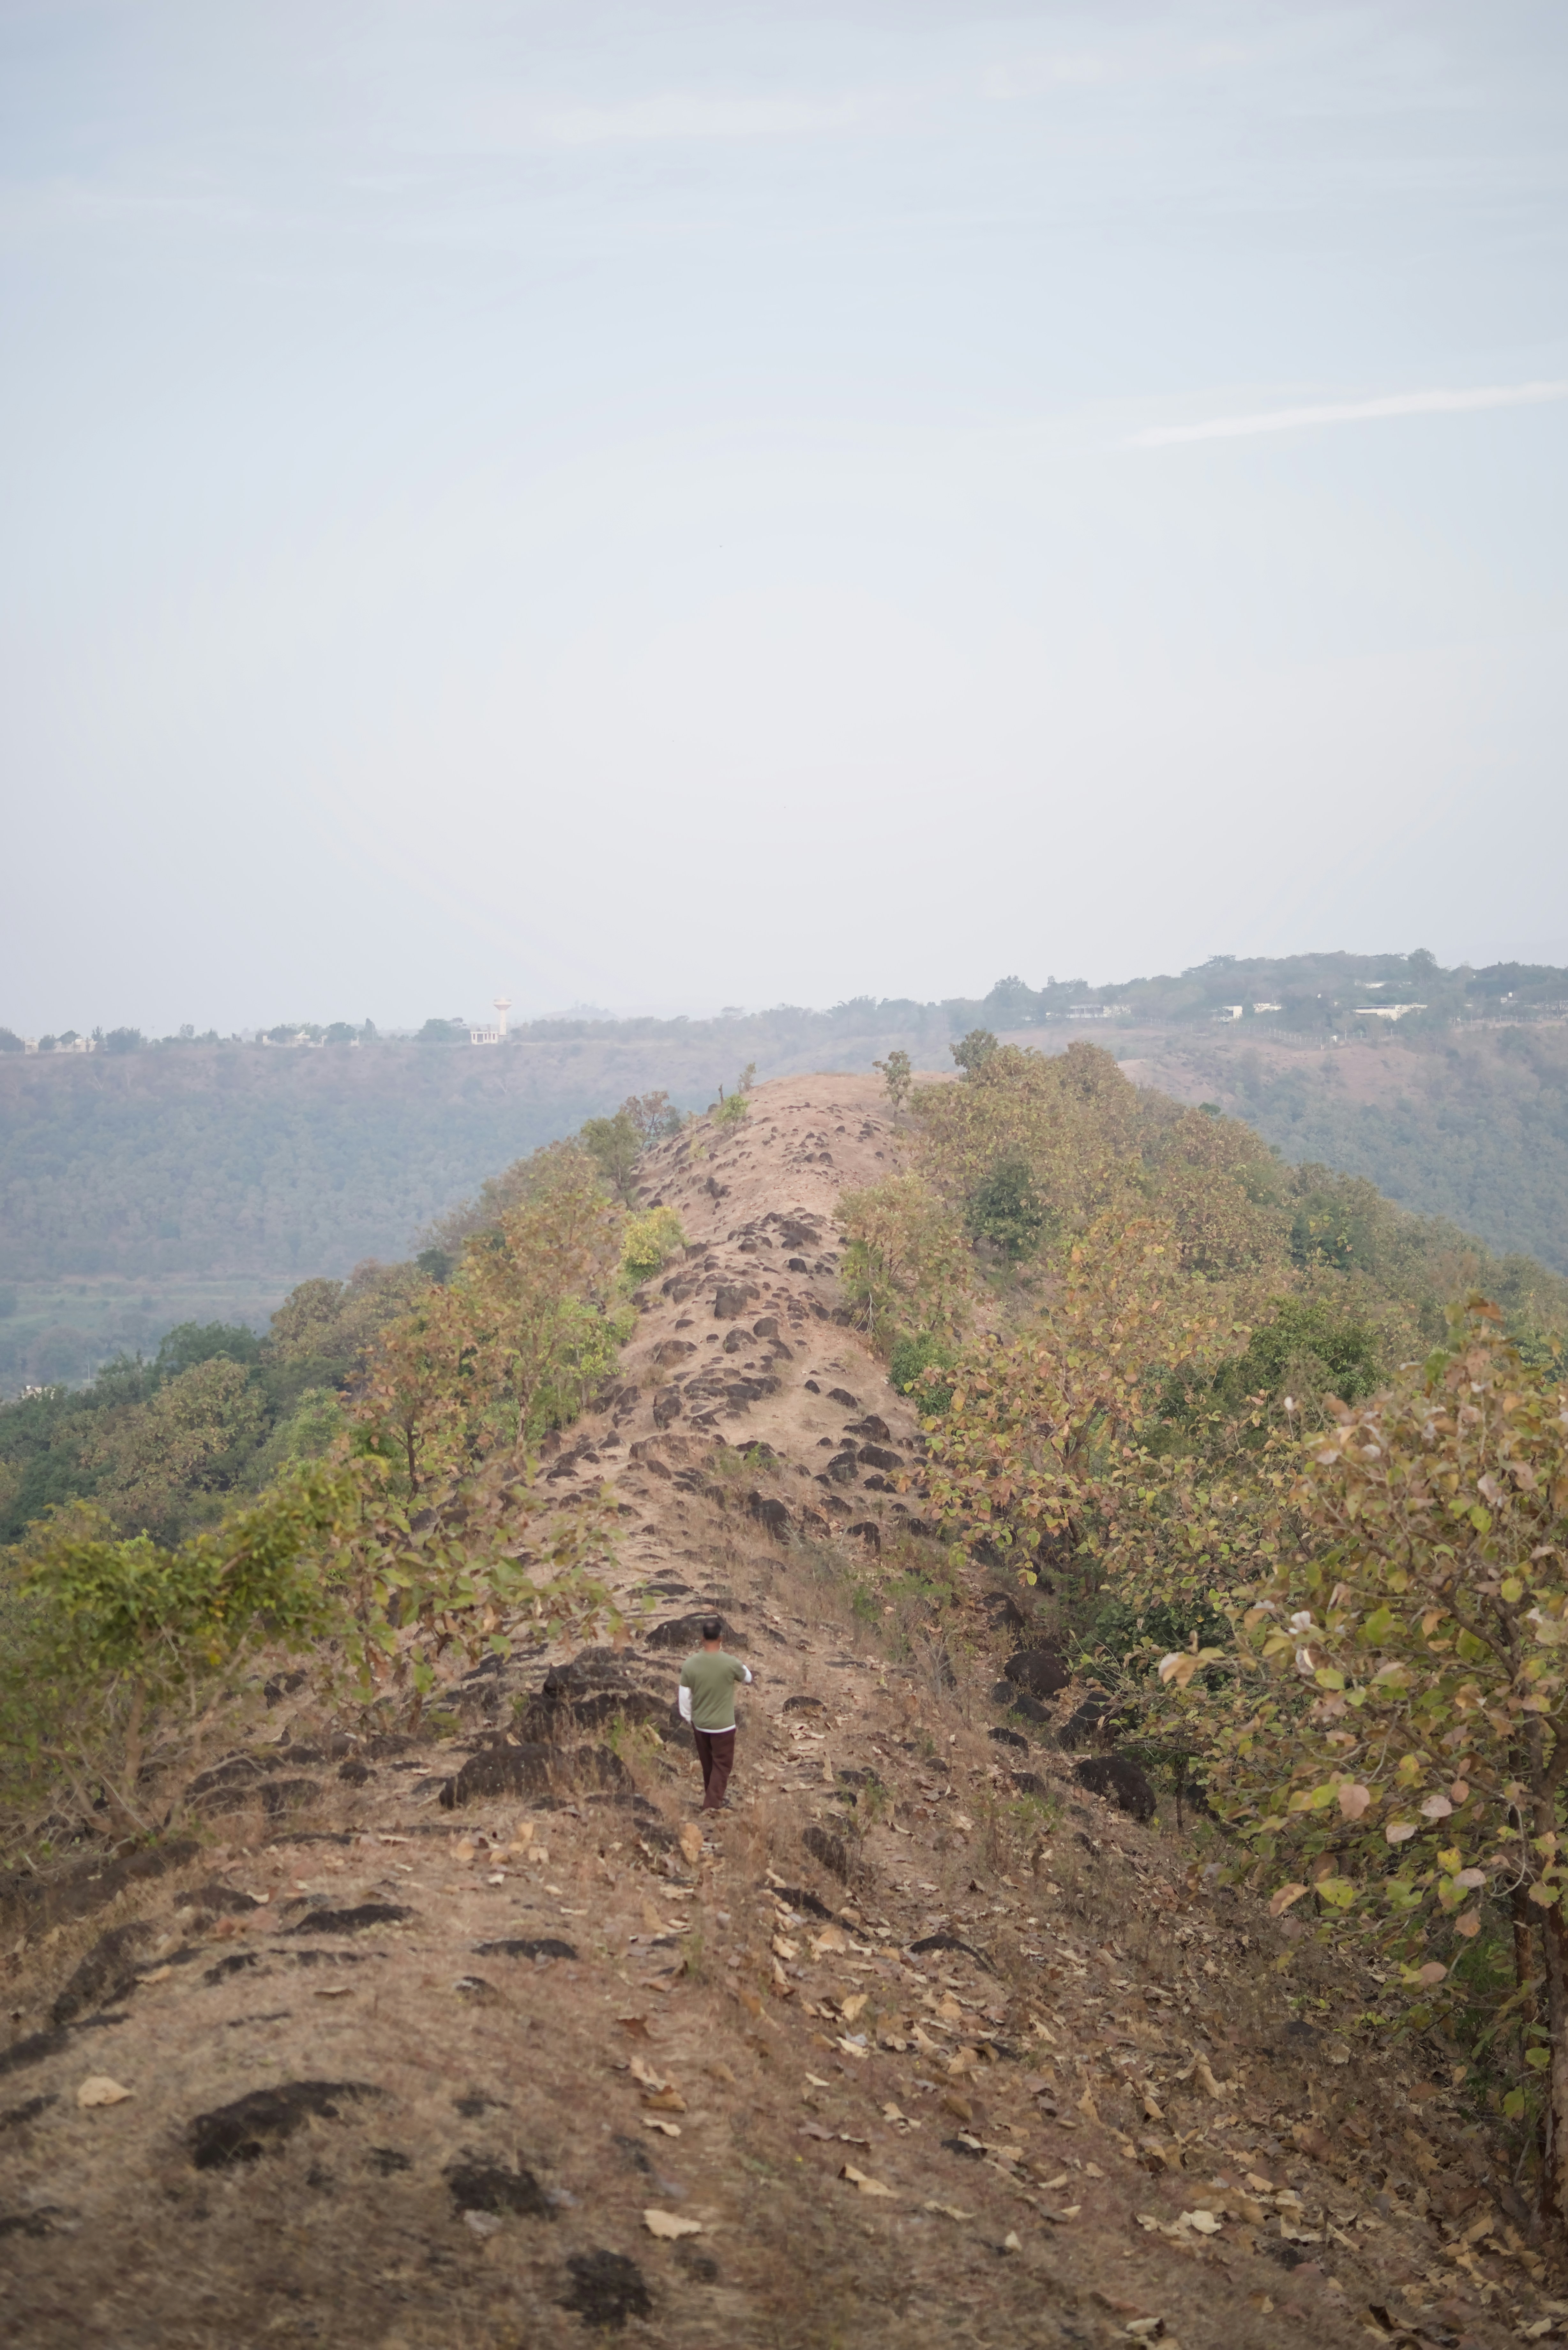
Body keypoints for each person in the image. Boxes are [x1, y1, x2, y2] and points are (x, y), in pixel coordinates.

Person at [678, 1618, 752, 1813]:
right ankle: (711, 1806)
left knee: (709, 1765)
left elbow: (684, 1698)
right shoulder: (730, 1663)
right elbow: (748, 1678)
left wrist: (690, 1719)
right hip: (724, 1726)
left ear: (702, 1639)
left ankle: (714, 1800)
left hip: (700, 1724)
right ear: (721, 1639)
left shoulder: (690, 1664)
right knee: (723, 1766)